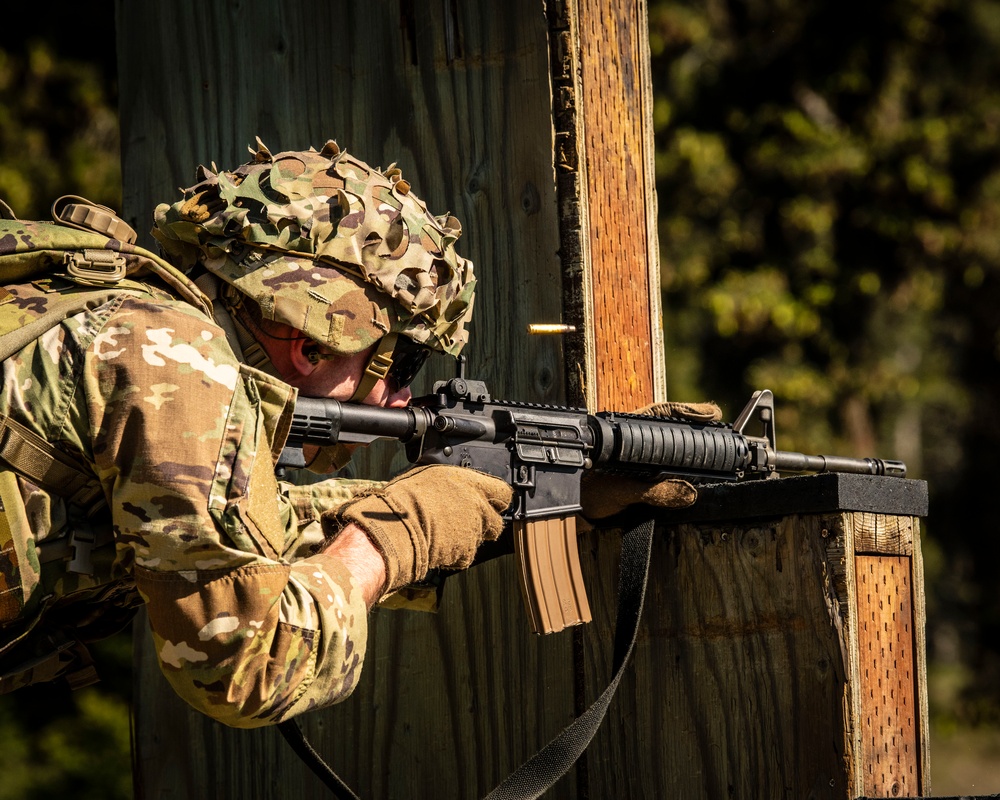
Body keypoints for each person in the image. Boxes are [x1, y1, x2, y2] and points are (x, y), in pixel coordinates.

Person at [0, 138, 710, 728]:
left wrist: (523, 499)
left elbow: (230, 538)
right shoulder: (177, 363)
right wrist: (390, 536)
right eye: (401, 359)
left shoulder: (123, 323)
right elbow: (251, 665)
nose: (403, 395)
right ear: (314, 341)